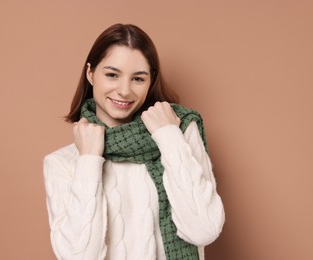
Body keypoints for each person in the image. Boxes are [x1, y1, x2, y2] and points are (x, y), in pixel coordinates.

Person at [43, 23, 225, 260]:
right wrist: (89, 159)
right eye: (111, 75)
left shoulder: (177, 134)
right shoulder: (61, 162)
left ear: (151, 80)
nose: (124, 90)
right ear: (90, 73)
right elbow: (79, 256)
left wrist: (169, 137)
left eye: (138, 79)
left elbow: (204, 230)